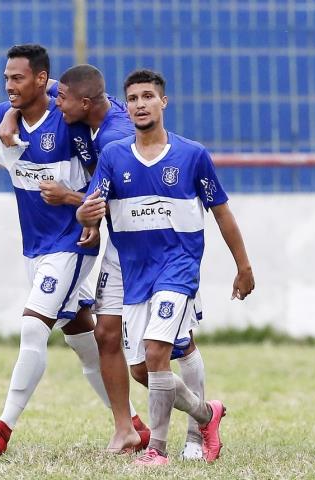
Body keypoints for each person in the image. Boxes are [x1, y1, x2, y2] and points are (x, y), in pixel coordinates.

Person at [0, 42, 118, 455]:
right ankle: (135, 424)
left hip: (72, 244)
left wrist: (84, 207)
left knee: (32, 327)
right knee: (85, 341)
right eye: (7, 78)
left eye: (18, 78)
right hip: (36, 249)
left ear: (42, 80)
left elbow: (106, 113)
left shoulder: (70, 118)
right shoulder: (0, 117)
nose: (10, 86)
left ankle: (1, 430)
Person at [3, 64, 207, 458]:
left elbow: (119, 198)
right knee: (110, 339)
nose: (54, 102)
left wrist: (71, 199)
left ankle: (197, 427)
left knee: (173, 348)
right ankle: (127, 430)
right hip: (119, 248)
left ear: (83, 102)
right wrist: (12, 112)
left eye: (59, 98)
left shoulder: (115, 136)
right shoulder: (92, 108)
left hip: (160, 250)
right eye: (133, 98)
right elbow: (43, 93)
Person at [77, 69, 255, 466]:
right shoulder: (114, 156)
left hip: (177, 267)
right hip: (134, 272)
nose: (141, 104)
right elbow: (91, 208)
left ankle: (157, 447)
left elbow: (222, 212)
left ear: (163, 102)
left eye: (148, 96)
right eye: (134, 98)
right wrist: (86, 216)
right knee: (143, 369)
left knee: (159, 351)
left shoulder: (192, 155)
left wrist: (243, 266)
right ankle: (207, 415)